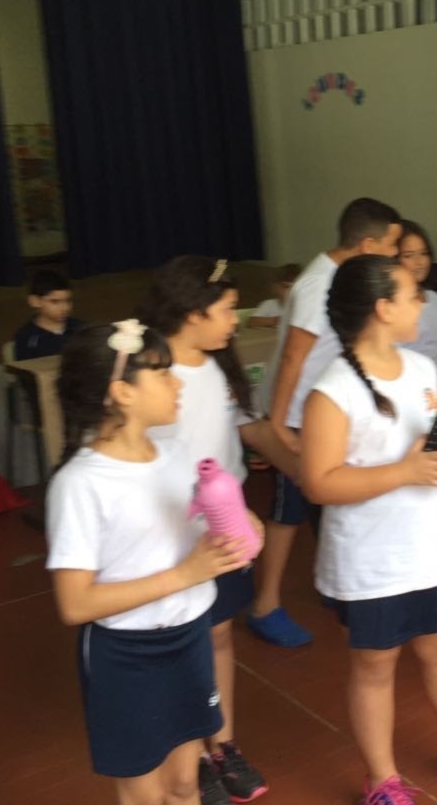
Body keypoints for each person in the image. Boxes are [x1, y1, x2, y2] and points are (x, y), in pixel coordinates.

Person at [301, 255, 437, 805]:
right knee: (375, 667)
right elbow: (320, 483)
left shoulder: (421, 369)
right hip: (372, 563)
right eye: (412, 295)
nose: (422, 303)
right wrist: (405, 471)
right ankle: (383, 780)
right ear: (383, 308)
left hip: (434, 548)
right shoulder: (333, 391)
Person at [46, 321, 248, 803]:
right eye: (162, 373)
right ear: (122, 393)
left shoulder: (177, 453)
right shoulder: (81, 484)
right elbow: (75, 604)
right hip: (127, 654)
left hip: (190, 635)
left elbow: (198, 525)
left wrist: (242, 525)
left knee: (185, 782)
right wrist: (184, 575)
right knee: (144, 791)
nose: (178, 383)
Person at [138, 256, 302, 805]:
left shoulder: (219, 367)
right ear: (193, 311)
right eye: (229, 309)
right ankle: (186, 756)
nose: (236, 320)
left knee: (219, 634)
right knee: (180, 643)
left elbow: (250, 429)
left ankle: (222, 745)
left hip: (225, 525)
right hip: (171, 530)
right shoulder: (151, 375)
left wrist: (308, 470)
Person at [252, 198, 402, 648]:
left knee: (328, 502)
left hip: (325, 412)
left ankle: (336, 588)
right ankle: (265, 605)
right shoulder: (320, 283)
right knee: (288, 511)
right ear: (368, 244)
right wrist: (279, 425)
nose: (395, 255)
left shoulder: (340, 277)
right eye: (392, 246)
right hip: (298, 416)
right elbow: (293, 357)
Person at [399, 220, 437, 397]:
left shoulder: (436, 300)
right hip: (415, 396)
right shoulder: (395, 308)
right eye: (409, 255)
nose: (419, 262)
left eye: (423, 253)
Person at [12, 269, 82, 361]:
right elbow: (24, 368)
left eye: (68, 301)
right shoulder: (26, 336)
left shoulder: (82, 328)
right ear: (35, 301)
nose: (64, 308)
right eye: (55, 301)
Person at [248, 263, 300, 329]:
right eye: (286, 287)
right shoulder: (269, 304)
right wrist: (275, 321)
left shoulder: (303, 306)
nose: (291, 291)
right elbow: (251, 322)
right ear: (276, 287)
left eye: (296, 288)